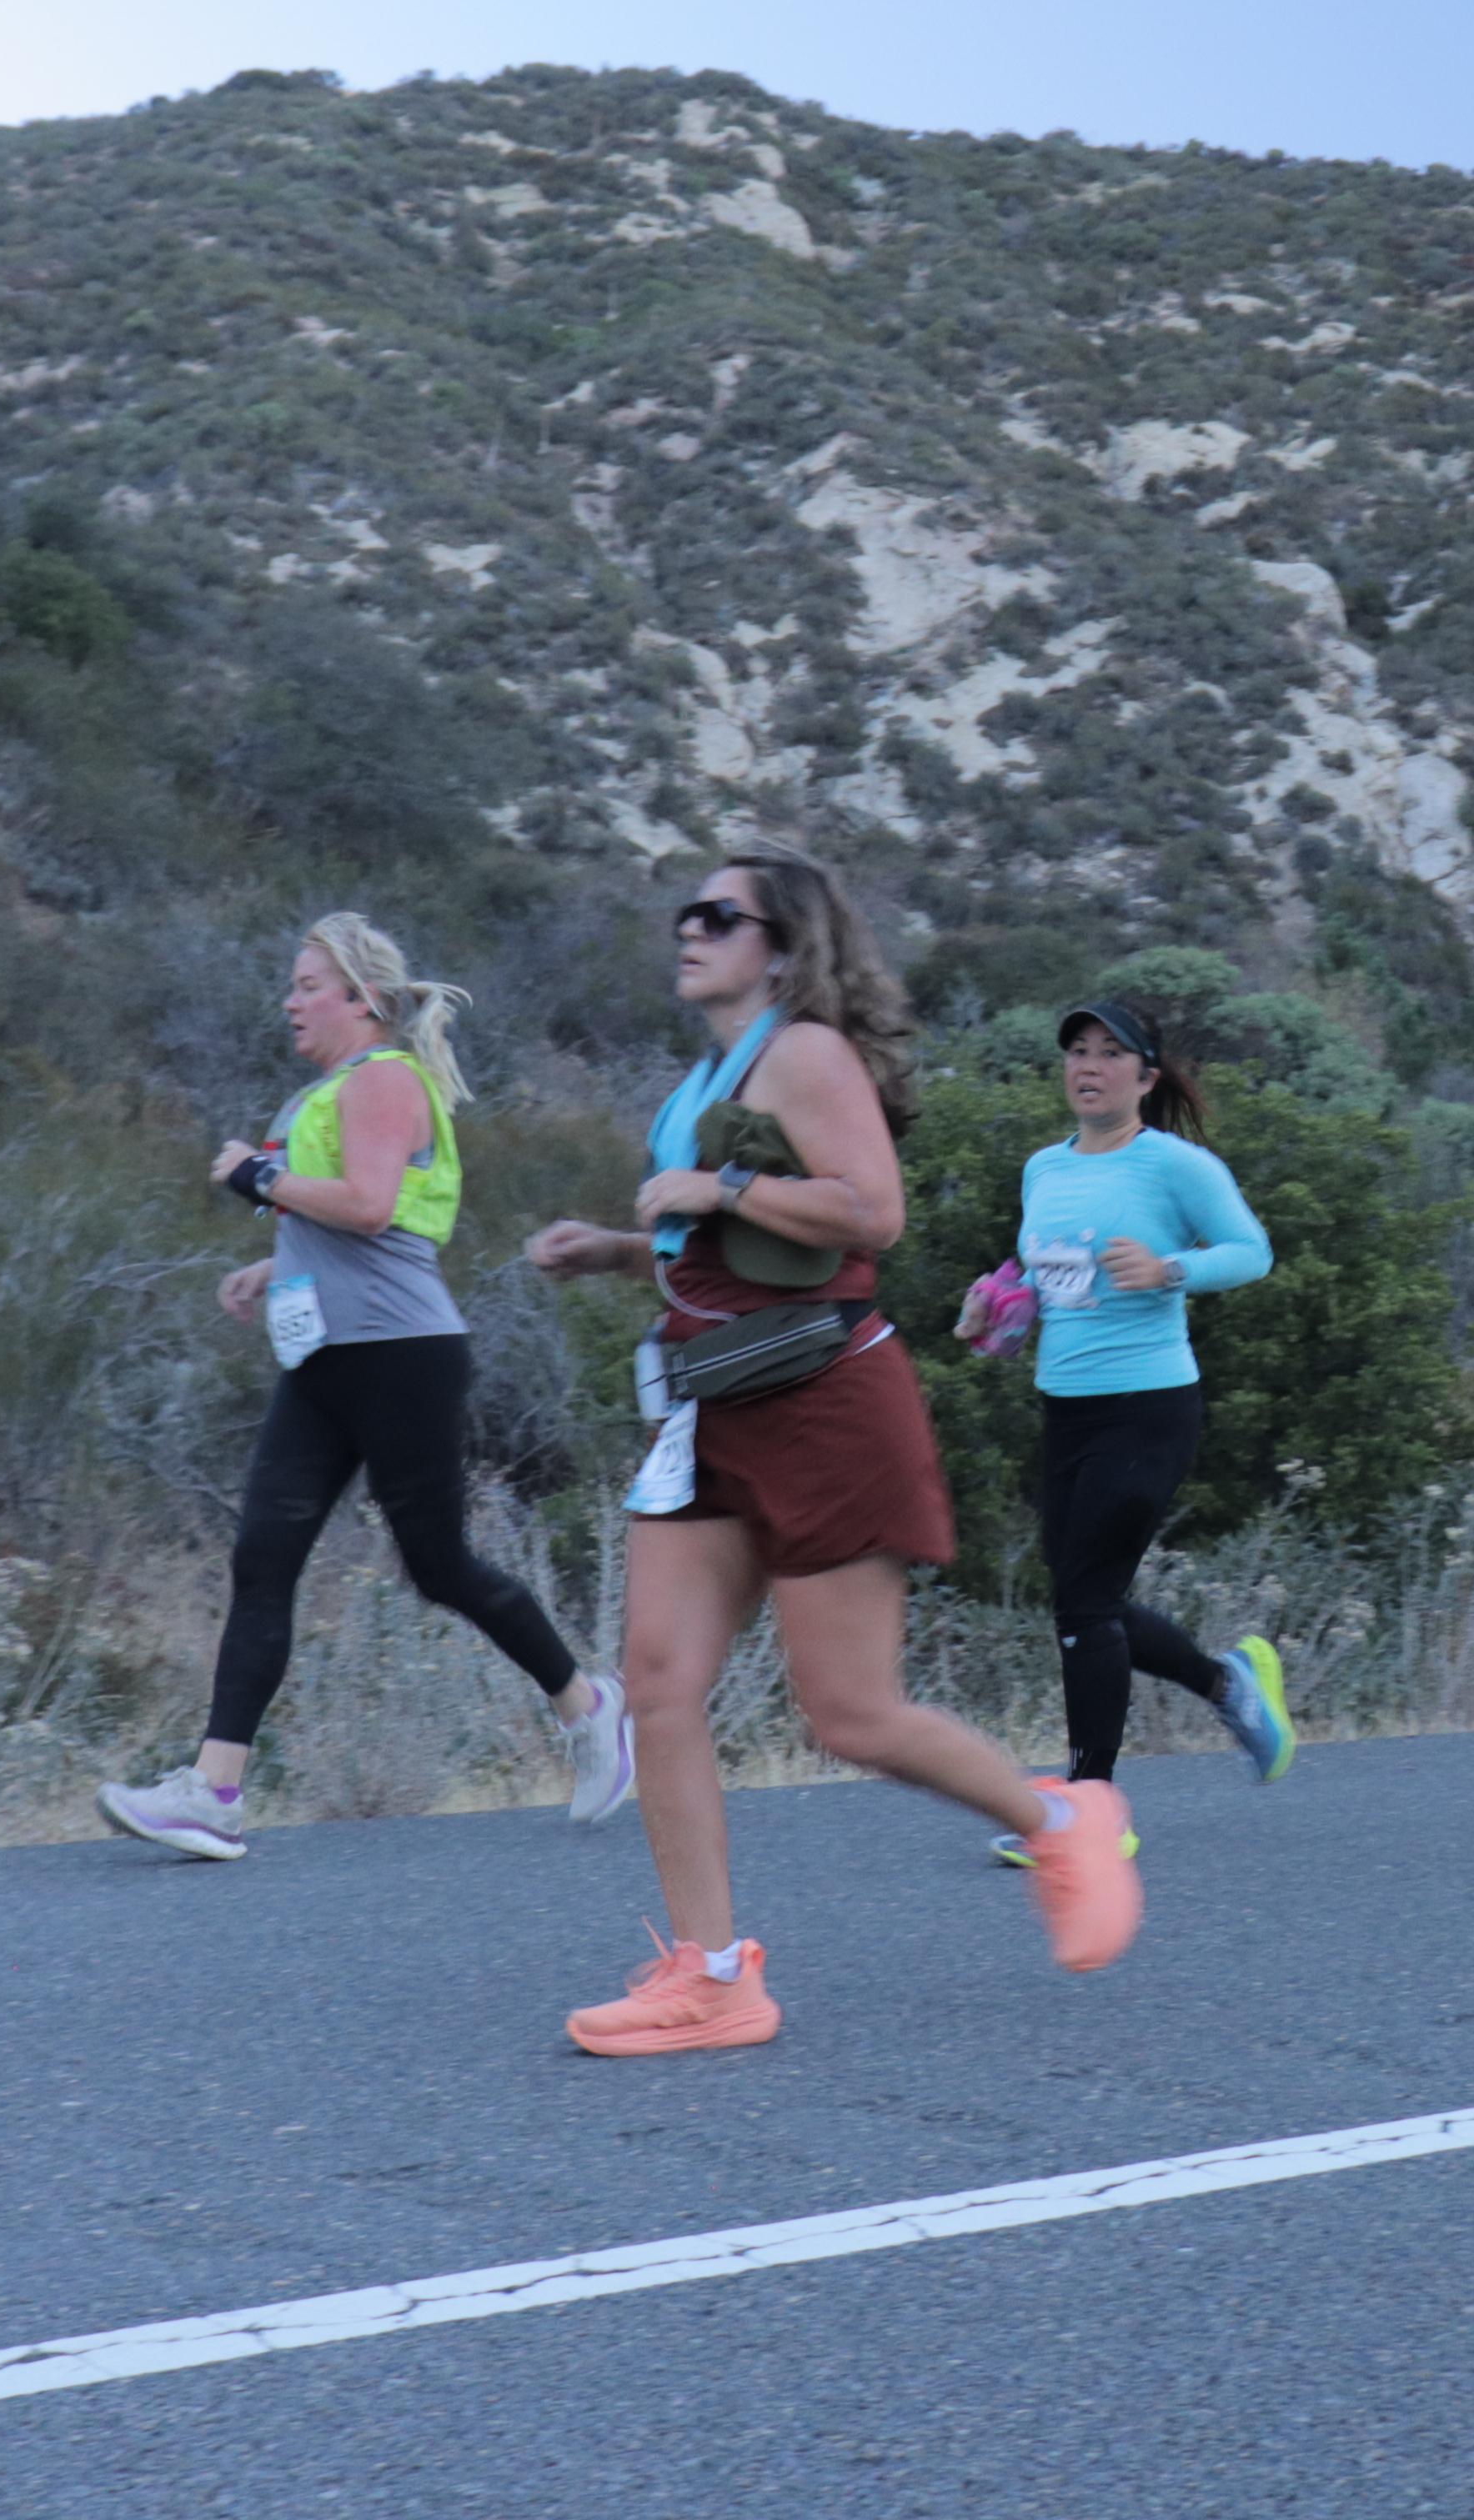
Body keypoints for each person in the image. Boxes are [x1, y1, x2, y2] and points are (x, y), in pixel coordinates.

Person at [520, 847, 1141, 2052]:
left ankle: (1063, 1826)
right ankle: (711, 1975)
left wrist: (719, 1183)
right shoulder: (709, 1073)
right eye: (686, 911)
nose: (689, 930)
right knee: (659, 1686)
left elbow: (871, 1211)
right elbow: (726, 1250)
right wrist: (611, 1247)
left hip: (821, 1402)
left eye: (720, 916)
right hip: (707, 1406)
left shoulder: (804, 1052)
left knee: (849, 1714)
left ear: (784, 948)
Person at [98, 914, 627, 1861]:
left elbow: (373, 1206)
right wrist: (275, 1265)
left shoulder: (384, 1079)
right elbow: (354, 1224)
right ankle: (214, 1792)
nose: (290, 1002)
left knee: (439, 1567)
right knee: (263, 1560)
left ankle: (589, 1708)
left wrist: (258, 1176)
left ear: (364, 999)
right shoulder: (331, 1091)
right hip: (325, 1360)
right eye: (292, 985)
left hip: (401, 1353)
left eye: (308, 986)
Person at [972, 994, 1297, 1869]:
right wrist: (993, 1313)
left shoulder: (1175, 1166)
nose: (1088, 1065)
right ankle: (1226, 1683)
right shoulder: (1044, 1169)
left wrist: (1169, 1269)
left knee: (1085, 1604)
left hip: (1150, 1406)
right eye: (1076, 1050)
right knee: (1088, 1602)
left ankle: (1091, 1811)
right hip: (1065, 1408)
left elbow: (1252, 1250)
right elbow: (1044, 1284)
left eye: (1110, 1053)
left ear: (1146, 1077)